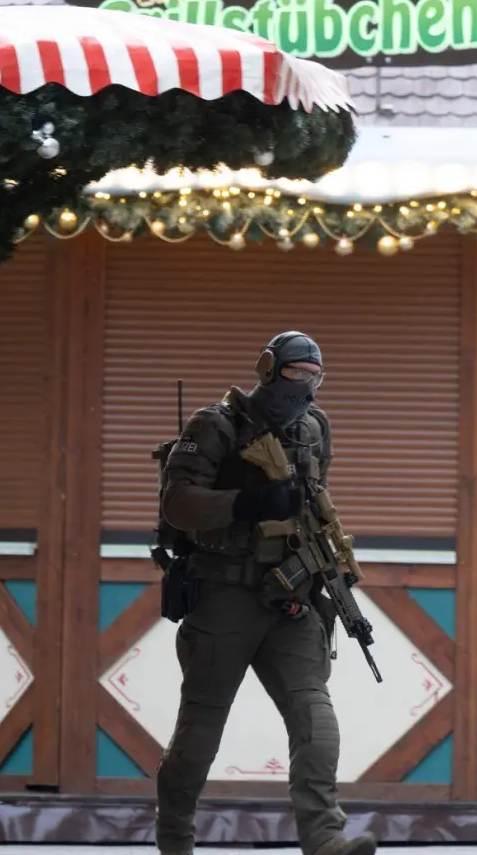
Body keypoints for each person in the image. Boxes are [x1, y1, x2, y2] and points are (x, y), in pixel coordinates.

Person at [154, 331, 376, 855]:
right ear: (269, 368)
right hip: (224, 593)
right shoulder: (216, 425)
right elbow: (178, 503)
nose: (303, 384)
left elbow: (313, 505)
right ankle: (175, 837)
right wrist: (249, 504)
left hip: (292, 595)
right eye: (295, 371)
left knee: (314, 715)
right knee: (201, 727)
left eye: (312, 375)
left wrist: (329, 573)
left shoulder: (315, 428)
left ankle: (325, 838)